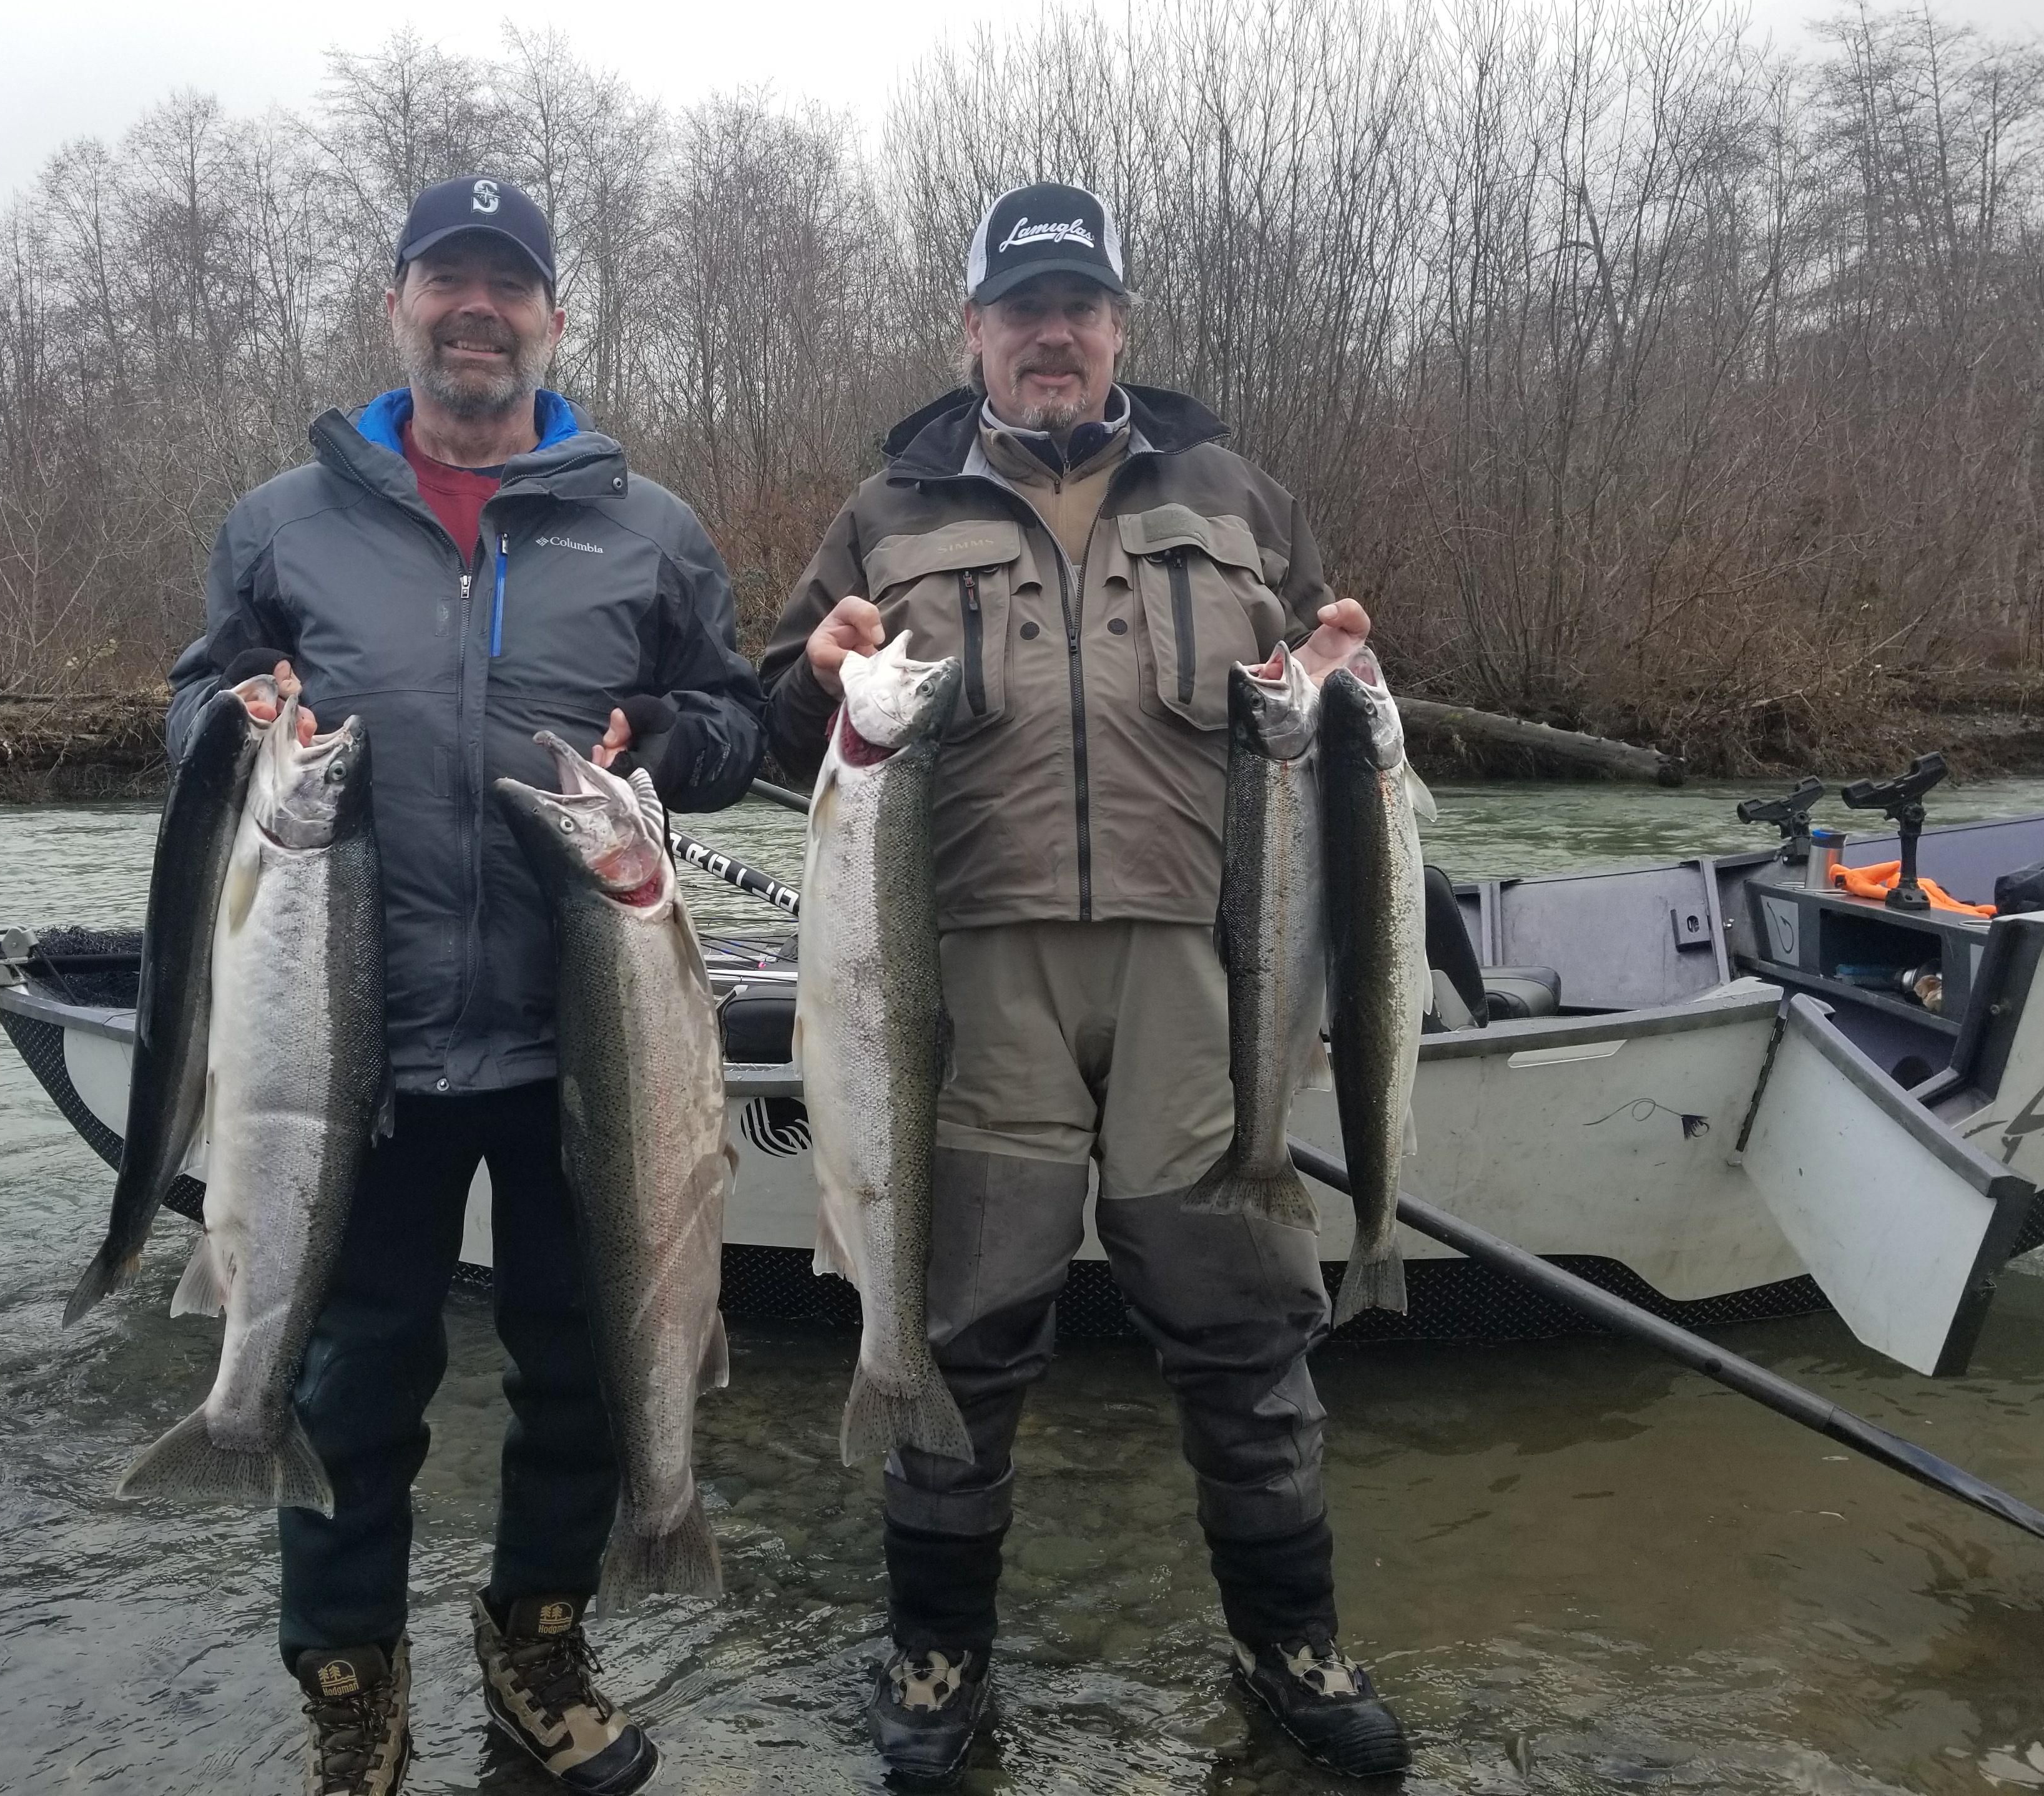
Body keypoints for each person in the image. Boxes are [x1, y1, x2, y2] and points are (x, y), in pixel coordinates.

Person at [757, 182, 1412, 1784]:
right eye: (1021, 309)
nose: (1053, 334)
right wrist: (820, 671)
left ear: (1120, 325)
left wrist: (1346, 675)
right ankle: (937, 1651)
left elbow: (1335, 728)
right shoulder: (888, 510)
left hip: (1211, 964)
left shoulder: (1238, 492)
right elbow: (781, 727)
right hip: (960, 976)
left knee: (1244, 1318)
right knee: (959, 1321)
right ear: (972, 332)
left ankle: (1288, 1642)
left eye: (1080, 306)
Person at [164, 174, 765, 1796]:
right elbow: (193, 714)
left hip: (597, 1045)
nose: (476, 307)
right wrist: (236, 722)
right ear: (399, 306)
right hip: (356, 1040)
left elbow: (732, 730)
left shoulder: (649, 528)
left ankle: (540, 1644)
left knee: (585, 1375)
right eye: (449, 280)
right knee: (356, 1378)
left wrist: (673, 741)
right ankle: (353, 1690)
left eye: (509, 284)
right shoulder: (283, 523)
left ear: (554, 319)